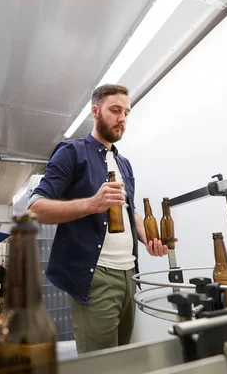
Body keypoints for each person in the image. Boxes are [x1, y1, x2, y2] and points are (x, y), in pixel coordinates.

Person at [28, 84, 171, 354]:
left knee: (120, 357)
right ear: (95, 111)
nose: (122, 119)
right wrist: (93, 204)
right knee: (101, 363)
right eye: (115, 110)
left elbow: (129, 210)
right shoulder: (72, 153)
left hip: (130, 274)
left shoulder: (124, 163)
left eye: (126, 113)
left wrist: (148, 237)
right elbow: (36, 207)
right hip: (97, 276)